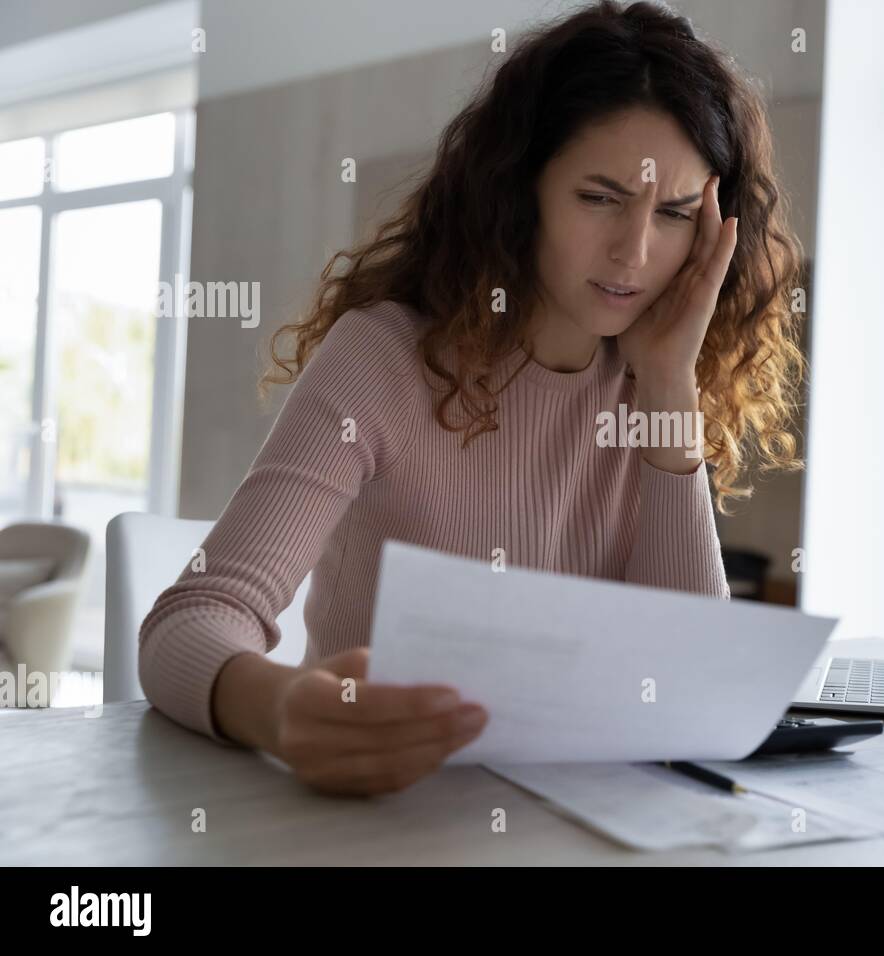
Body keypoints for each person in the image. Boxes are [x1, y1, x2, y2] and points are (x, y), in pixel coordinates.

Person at [139, 0, 806, 796]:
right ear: (521, 191)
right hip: (382, 820)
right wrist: (282, 709)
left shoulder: (652, 390)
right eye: (598, 197)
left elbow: (690, 688)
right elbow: (188, 622)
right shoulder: (382, 358)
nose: (634, 252)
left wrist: (667, 384)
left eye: (671, 214)